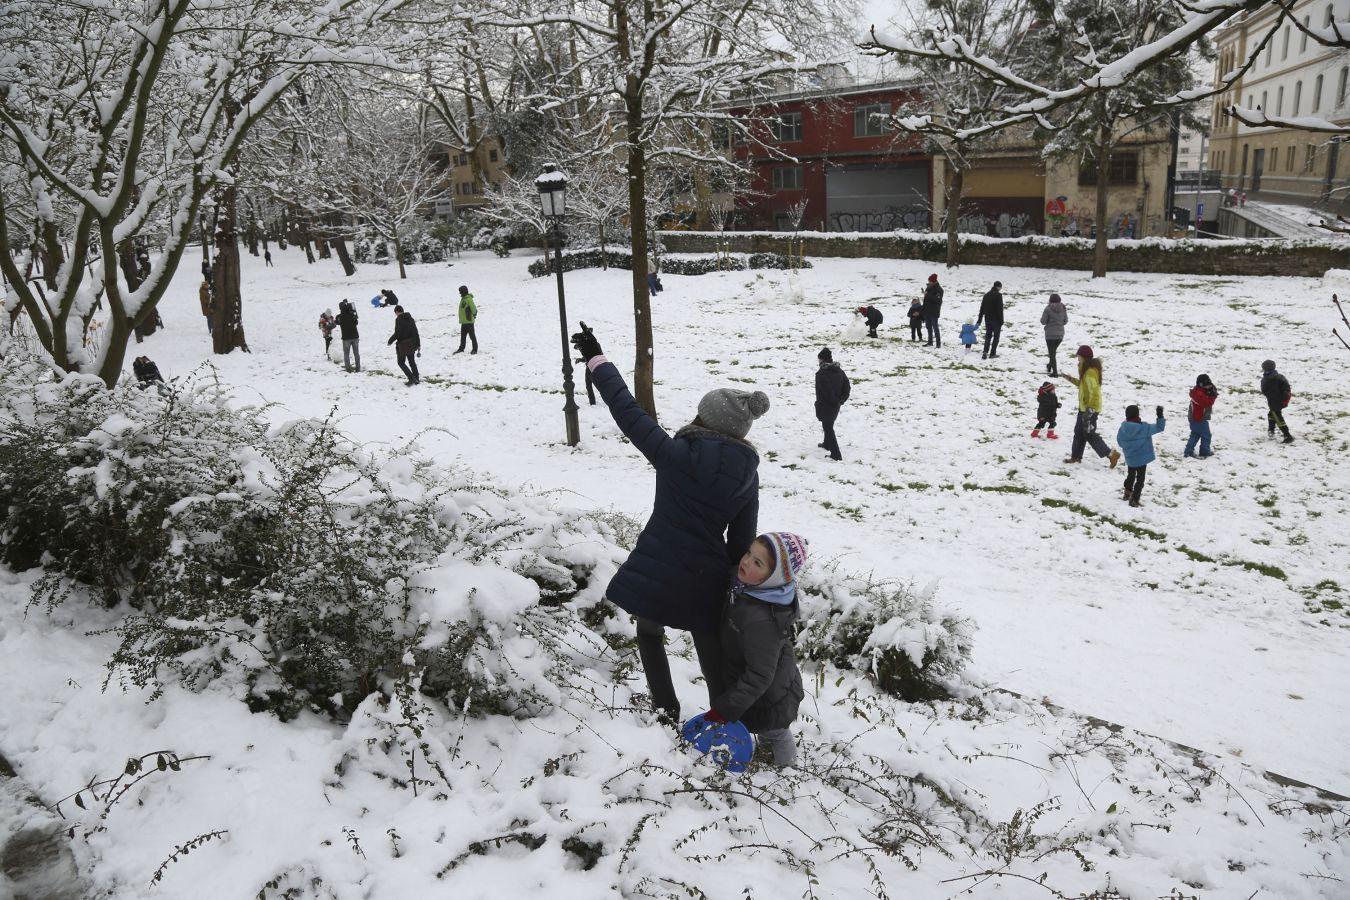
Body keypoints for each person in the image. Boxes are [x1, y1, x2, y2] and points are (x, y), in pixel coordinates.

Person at [571, 322, 766, 727]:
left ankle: (665, 711)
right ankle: (721, 721)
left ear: (705, 419)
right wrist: (733, 582)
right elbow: (742, 541)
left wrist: (597, 359)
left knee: (648, 632)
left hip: (659, 565)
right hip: (706, 575)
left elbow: (626, 410)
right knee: (708, 646)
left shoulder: (676, 454)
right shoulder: (748, 474)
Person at [704, 532, 808, 768]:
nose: (747, 561)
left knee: (775, 732)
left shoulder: (763, 621)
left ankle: (789, 772)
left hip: (771, 694)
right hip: (759, 685)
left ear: (773, 577)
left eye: (758, 563)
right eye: (749, 553)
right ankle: (768, 755)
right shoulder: (749, 588)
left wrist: (725, 709)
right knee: (766, 728)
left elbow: (761, 675)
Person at [1060, 345, 1121, 468]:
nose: (1077, 359)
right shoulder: (1086, 370)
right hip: (1084, 407)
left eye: (1079, 356)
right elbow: (1083, 385)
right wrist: (1070, 379)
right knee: (1079, 432)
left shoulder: (1090, 372)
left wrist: (1090, 410)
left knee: (1089, 434)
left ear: (1084, 357)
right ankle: (1076, 457)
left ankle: (1111, 454)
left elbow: (1095, 393)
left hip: (1090, 409)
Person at [1116, 405, 1165, 508]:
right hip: (1142, 459)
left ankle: (1127, 492)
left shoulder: (1122, 429)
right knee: (1140, 479)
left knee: (1131, 475)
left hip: (1130, 458)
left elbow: (1120, 442)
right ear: (1138, 414)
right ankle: (1135, 499)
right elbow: (1160, 427)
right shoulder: (1144, 428)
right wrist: (1160, 416)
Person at [815, 347, 850, 461]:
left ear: (822, 360)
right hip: (836, 405)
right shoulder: (839, 371)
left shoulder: (821, 374)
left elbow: (826, 391)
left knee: (828, 426)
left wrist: (834, 401)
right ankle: (827, 444)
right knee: (829, 423)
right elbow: (847, 386)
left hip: (826, 405)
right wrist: (841, 400)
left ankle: (836, 454)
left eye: (819, 359)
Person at [1184, 374, 1218, 458]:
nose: (1209, 386)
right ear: (1201, 385)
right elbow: (1207, 403)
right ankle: (1205, 451)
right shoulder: (1199, 395)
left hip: (1195, 418)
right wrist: (1213, 396)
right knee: (1206, 435)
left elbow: (1209, 390)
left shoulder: (1200, 391)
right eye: (1207, 385)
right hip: (1198, 419)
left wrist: (1211, 389)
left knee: (1195, 434)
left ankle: (1188, 451)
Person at [1260, 359, 1293, 443]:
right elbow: (1287, 387)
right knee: (1271, 414)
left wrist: (1281, 397)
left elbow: (1264, 390)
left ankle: (1287, 435)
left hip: (1275, 401)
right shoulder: (1279, 376)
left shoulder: (1268, 379)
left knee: (1277, 417)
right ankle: (1271, 431)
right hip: (1279, 400)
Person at [388, 305, 420, 385]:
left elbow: (397, 333)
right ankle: (416, 378)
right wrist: (418, 344)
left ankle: (412, 378)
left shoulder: (399, 320)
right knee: (412, 362)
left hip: (402, 345)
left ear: (397, 312)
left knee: (400, 362)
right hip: (412, 343)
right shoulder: (410, 318)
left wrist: (390, 340)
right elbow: (415, 331)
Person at [1040, 293, 1068, 376]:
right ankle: (1049, 365)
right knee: (1053, 352)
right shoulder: (1063, 308)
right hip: (1060, 335)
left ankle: (1055, 372)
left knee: (1052, 353)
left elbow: (1043, 321)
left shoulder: (1047, 309)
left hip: (1050, 335)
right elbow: (1065, 321)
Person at [976, 280, 1004, 359]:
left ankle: (985, 352)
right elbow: (1000, 309)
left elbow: (982, 308)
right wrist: (1001, 321)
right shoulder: (998, 295)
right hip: (996, 321)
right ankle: (992, 353)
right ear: (998, 287)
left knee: (988, 336)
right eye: (1000, 287)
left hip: (987, 319)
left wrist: (979, 319)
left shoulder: (986, 295)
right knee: (996, 337)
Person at [337, 300, 361, 372]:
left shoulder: (340, 317)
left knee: (346, 355)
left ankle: (348, 369)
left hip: (346, 338)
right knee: (356, 354)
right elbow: (356, 322)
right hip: (355, 337)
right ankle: (358, 368)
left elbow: (337, 322)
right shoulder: (352, 315)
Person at [455, 285, 478, 354]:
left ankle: (475, 349)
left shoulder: (469, 299)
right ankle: (461, 348)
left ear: (463, 292)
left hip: (469, 321)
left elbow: (474, 309)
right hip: (464, 322)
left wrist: (474, 314)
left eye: (460, 292)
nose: (459, 293)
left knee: (472, 336)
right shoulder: (463, 299)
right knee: (463, 336)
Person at [921, 273, 943, 347]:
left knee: (935, 327)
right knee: (928, 327)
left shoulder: (939, 290)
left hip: (934, 312)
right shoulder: (928, 288)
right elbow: (925, 300)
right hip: (927, 311)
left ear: (933, 281)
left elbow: (937, 300)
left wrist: (927, 295)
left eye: (930, 281)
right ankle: (930, 342)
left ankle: (938, 343)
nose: (929, 282)